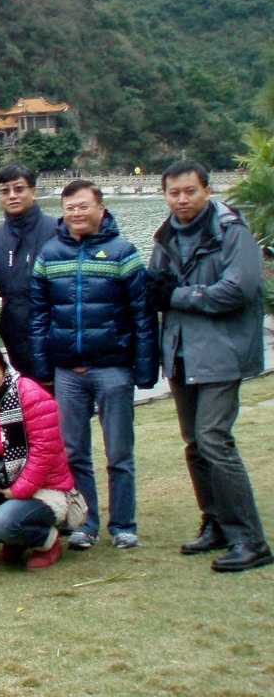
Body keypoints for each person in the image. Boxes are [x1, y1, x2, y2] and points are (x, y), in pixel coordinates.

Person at [148, 161, 271, 572]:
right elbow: (155, 287)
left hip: (222, 352)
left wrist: (178, 296)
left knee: (214, 440)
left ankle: (250, 539)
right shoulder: (165, 236)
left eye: (190, 191)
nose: (182, 200)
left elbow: (238, 289)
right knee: (196, 445)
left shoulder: (232, 232)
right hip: (181, 352)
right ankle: (216, 523)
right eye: (174, 193)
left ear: (207, 190)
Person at [30, 180, 158, 551]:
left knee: (119, 453)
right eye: (70, 207)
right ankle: (86, 524)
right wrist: (43, 369)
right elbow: (39, 316)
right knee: (74, 453)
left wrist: (145, 370)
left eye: (84, 206)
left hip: (113, 367)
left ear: (101, 208)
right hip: (68, 371)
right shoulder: (50, 254)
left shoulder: (123, 252)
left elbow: (142, 315)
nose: (77, 213)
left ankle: (124, 525)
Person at [0, 342, 74, 570]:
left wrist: (17, 491)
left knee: (2, 523)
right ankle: (16, 540)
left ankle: (48, 541)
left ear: (4, 368)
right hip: (7, 483)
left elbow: (45, 452)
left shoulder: (29, 394)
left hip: (46, 487)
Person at [0, 164, 58, 383]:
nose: (12, 196)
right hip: (16, 336)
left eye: (19, 189)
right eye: (5, 191)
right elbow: (1, 286)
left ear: (33, 192)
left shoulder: (58, 230)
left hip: (55, 335)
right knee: (28, 397)